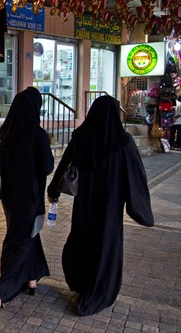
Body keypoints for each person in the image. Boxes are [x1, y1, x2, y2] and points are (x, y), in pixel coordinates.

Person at [47, 95, 154, 316]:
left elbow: (65, 164)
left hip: (85, 205)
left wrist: (53, 190)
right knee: (104, 248)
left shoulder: (82, 137)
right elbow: (135, 175)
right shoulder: (123, 142)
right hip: (110, 207)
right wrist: (140, 209)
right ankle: (97, 292)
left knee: (82, 243)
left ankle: (83, 286)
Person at [0, 87, 54, 308]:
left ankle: (31, 279)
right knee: (21, 239)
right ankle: (2, 289)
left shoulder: (7, 131)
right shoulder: (37, 133)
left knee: (27, 233)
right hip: (30, 195)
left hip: (10, 195)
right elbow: (47, 166)